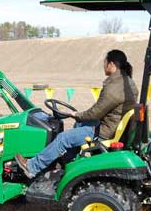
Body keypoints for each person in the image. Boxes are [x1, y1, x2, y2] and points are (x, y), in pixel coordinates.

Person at [15, 49, 138, 178]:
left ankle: (32, 166)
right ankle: (65, 163)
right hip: (113, 126)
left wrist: (76, 114)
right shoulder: (127, 82)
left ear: (111, 64)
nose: (104, 65)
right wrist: (80, 118)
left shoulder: (114, 87)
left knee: (63, 138)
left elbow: (95, 113)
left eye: (105, 62)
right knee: (79, 125)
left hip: (104, 132)